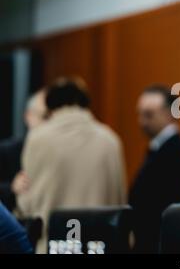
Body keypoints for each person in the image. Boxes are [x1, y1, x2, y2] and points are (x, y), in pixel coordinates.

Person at [17, 77, 126, 253]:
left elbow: (29, 206)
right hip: (100, 246)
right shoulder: (110, 140)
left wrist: (18, 193)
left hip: (55, 245)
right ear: (85, 103)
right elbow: (120, 201)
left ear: (50, 106)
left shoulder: (38, 138)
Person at [129, 86, 180, 253]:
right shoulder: (163, 149)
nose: (141, 122)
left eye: (149, 115)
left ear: (170, 113)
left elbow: (164, 209)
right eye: (140, 114)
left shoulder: (176, 153)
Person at [0, 90, 47, 211]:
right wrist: (12, 187)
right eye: (44, 116)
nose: (48, 124)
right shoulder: (7, 151)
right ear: (28, 116)